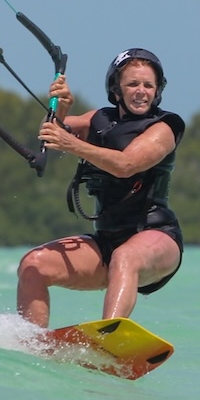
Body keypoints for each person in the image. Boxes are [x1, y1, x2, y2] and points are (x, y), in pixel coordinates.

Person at [16, 48, 185, 328]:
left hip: (155, 235)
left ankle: (108, 337)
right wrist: (62, 108)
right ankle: (33, 345)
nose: (141, 91)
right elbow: (50, 131)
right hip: (106, 241)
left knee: (126, 256)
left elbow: (126, 165)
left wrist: (71, 144)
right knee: (33, 265)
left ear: (157, 91)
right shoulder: (99, 119)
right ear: (116, 88)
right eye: (133, 84)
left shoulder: (165, 126)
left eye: (148, 85)